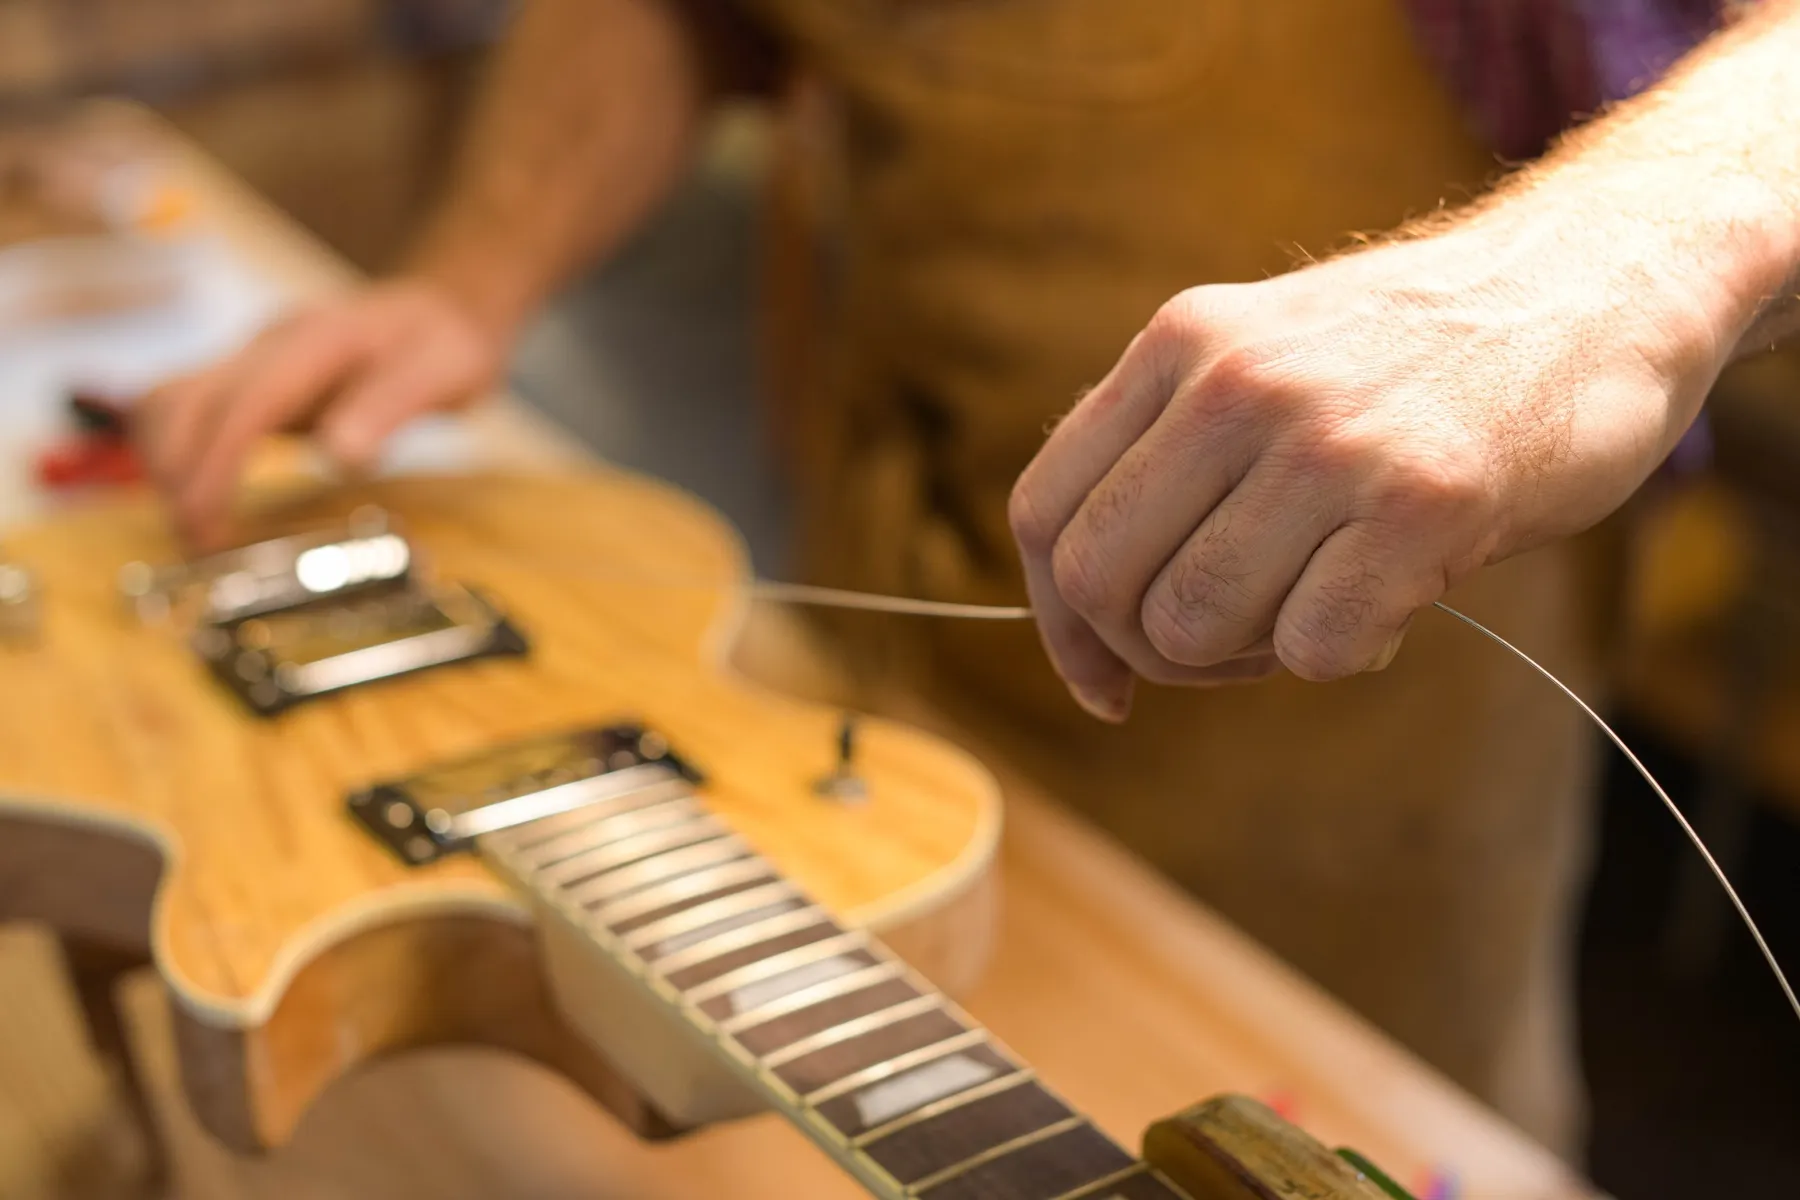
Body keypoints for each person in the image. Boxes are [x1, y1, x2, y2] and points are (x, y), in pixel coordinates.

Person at [137, 0, 1800, 1157]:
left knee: (1322, 1107)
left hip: (1348, 705)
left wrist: (1598, 266)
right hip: (884, 624)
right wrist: (471, 272)